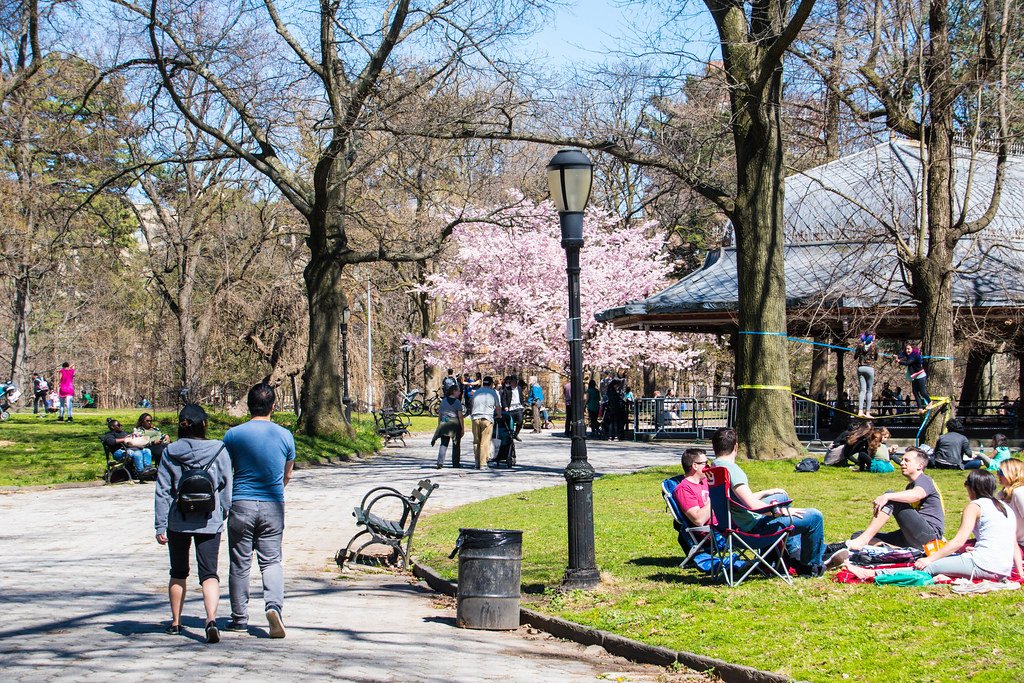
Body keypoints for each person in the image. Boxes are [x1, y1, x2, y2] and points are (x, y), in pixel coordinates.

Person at [846, 470, 1022, 582]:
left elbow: (958, 541)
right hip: (1003, 569)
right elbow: (1012, 542)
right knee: (944, 562)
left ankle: (873, 574)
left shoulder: (975, 506)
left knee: (923, 566)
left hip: (983, 565)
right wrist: (1019, 573)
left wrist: (929, 559)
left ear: (972, 487)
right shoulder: (1004, 507)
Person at [153, 404, 232, 642]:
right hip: (209, 519)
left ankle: (176, 623)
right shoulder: (219, 449)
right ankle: (211, 620)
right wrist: (222, 512)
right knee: (209, 574)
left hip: (178, 520)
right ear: (204, 425)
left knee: (178, 572)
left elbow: (163, 491)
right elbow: (227, 485)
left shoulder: (170, 451)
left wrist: (160, 524)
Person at [223, 382, 295, 638]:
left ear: (248, 406)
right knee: (271, 560)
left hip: (241, 502)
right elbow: (288, 473)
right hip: (273, 504)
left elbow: (224, 471)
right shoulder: (285, 435)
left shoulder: (233, 435)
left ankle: (239, 618)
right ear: (273, 406)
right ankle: (274, 606)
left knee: (240, 563)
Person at [711, 427, 826, 576]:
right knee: (815, 517)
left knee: (781, 496)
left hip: (732, 526)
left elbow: (735, 499)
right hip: (752, 531)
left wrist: (767, 492)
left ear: (714, 447)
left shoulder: (715, 469)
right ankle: (809, 567)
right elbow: (752, 506)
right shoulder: (732, 470)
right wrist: (783, 512)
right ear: (736, 446)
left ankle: (790, 554)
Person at [847, 447, 945, 551]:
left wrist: (887, 496)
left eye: (907, 460)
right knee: (857, 535)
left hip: (929, 536)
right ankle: (898, 550)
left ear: (920, 466)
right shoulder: (910, 486)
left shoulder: (925, 480)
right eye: (902, 460)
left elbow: (917, 494)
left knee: (891, 496)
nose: (902, 463)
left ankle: (863, 540)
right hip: (910, 535)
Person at [673, 448, 715, 528]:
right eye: (705, 463)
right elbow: (698, 520)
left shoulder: (707, 481)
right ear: (695, 466)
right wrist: (716, 498)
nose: (708, 466)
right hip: (715, 533)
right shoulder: (684, 489)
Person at [469, 376, 501, 469]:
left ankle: (476, 462)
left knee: (476, 441)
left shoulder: (477, 392)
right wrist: (499, 415)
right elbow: (498, 406)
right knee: (485, 442)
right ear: (491, 384)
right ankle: (483, 463)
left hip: (475, 417)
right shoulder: (493, 392)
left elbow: (472, 404)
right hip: (487, 418)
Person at [432, 384, 464, 468]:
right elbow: (460, 416)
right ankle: (456, 463)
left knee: (444, 443)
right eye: (458, 391)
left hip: (444, 423)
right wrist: (462, 428)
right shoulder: (457, 402)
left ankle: (440, 462)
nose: (460, 393)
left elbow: (440, 414)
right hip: (454, 424)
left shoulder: (444, 401)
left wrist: (439, 424)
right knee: (456, 444)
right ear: (454, 391)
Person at [897, 342, 932, 412]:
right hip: (914, 376)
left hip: (920, 375)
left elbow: (908, 362)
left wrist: (899, 361)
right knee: (915, 392)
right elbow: (902, 354)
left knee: (922, 392)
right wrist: (898, 356)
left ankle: (930, 402)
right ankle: (920, 408)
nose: (907, 350)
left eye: (908, 349)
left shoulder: (915, 355)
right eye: (906, 349)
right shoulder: (908, 354)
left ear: (912, 349)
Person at [998, 458, 1024, 549]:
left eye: (1001, 472)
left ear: (1012, 474)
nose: (997, 474)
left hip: (1020, 545)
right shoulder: (1001, 494)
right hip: (1006, 542)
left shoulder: (1019, 493)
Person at [854, 330, 879, 418]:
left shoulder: (860, 345)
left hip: (861, 368)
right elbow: (876, 358)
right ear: (872, 337)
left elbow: (855, 357)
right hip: (870, 368)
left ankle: (860, 411)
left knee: (862, 390)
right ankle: (868, 412)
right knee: (869, 391)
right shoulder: (874, 346)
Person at [499, 375, 524, 440]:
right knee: (510, 424)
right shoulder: (507, 389)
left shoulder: (519, 388)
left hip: (518, 407)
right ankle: (510, 435)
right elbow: (503, 399)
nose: (513, 383)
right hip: (510, 408)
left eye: (514, 382)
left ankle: (516, 434)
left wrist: (522, 405)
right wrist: (505, 407)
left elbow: (521, 397)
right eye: (512, 382)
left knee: (520, 421)